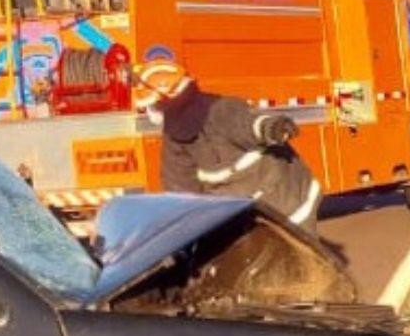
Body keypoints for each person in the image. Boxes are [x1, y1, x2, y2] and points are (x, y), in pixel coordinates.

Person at [132, 61, 323, 233]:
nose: (151, 113)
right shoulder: (175, 138)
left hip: (287, 199)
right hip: (249, 208)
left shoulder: (220, 110)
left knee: (303, 256)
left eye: (153, 106)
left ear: (169, 99)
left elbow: (249, 123)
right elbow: (181, 187)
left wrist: (272, 128)